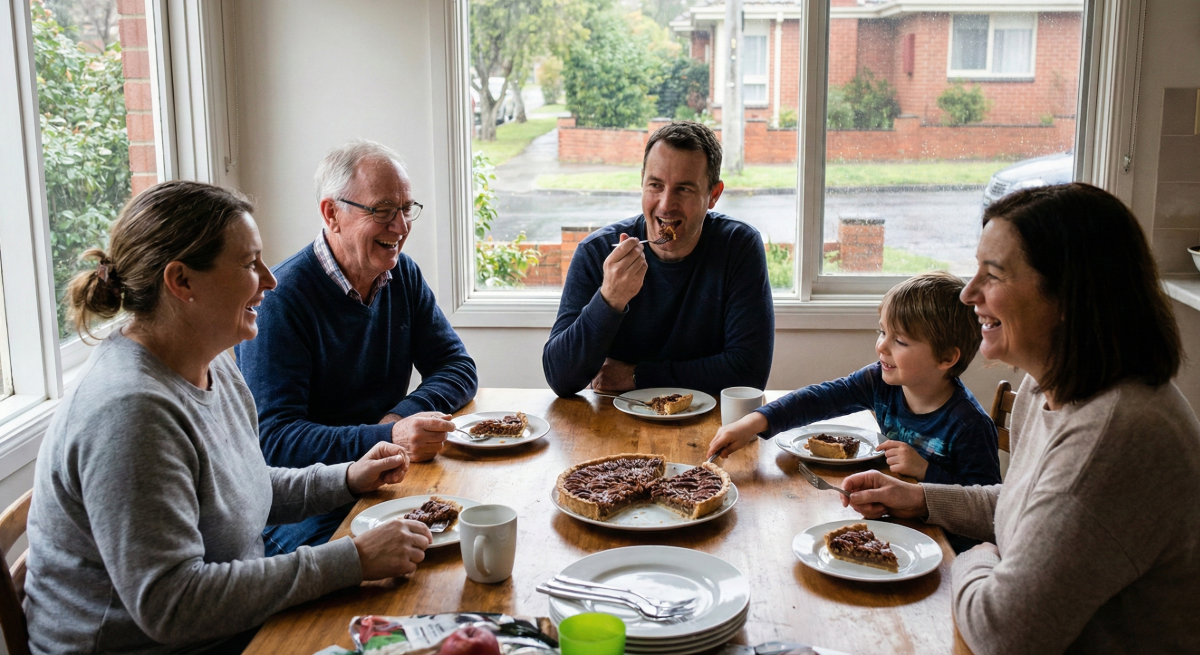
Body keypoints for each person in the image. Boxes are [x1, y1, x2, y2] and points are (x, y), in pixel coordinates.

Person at [24, 181, 433, 654]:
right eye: (248, 264)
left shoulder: (211, 359)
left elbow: (242, 487)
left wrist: (346, 478)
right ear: (181, 282)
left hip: (232, 626)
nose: (270, 279)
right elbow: (171, 605)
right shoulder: (130, 412)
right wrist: (352, 560)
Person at [840, 183, 1200, 654]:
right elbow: (1023, 505)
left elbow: (1001, 631)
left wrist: (978, 558)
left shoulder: (1115, 436)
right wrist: (921, 499)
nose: (969, 294)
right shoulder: (1046, 384)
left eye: (992, 275)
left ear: (1069, 295)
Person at [236, 140, 478, 555]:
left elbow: (457, 366)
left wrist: (399, 418)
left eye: (406, 209)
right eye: (383, 210)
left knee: (472, 532)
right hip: (305, 506)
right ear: (332, 214)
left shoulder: (402, 275)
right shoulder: (282, 300)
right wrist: (386, 436)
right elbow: (274, 441)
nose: (400, 226)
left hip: (385, 480)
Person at [542, 121, 774, 397]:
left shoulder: (738, 247)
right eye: (656, 185)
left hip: (708, 426)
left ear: (713, 195)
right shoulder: (597, 252)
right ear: (642, 181)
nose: (665, 204)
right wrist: (610, 299)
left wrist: (637, 375)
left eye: (684, 189)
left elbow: (749, 375)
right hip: (612, 426)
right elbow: (560, 377)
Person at [707, 271, 999, 489]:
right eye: (882, 332)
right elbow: (821, 398)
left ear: (946, 358)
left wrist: (925, 470)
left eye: (900, 341)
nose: (881, 347)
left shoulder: (970, 426)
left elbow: (985, 509)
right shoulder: (881, 381)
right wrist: (754, 422)